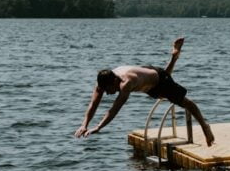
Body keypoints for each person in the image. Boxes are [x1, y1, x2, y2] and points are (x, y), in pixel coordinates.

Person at [73, 37, 215, 146]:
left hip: (157, 80)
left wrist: (98, 127)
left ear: (115, 81)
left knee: (185, 102)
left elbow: (114, 109)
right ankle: (174, 56)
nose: (108, 94)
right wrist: (84, 124)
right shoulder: (102, 82)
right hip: (145, 78)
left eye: (108, 90)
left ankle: (205, 126)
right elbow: (93, 104)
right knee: (161, 86)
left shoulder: (126, 83)